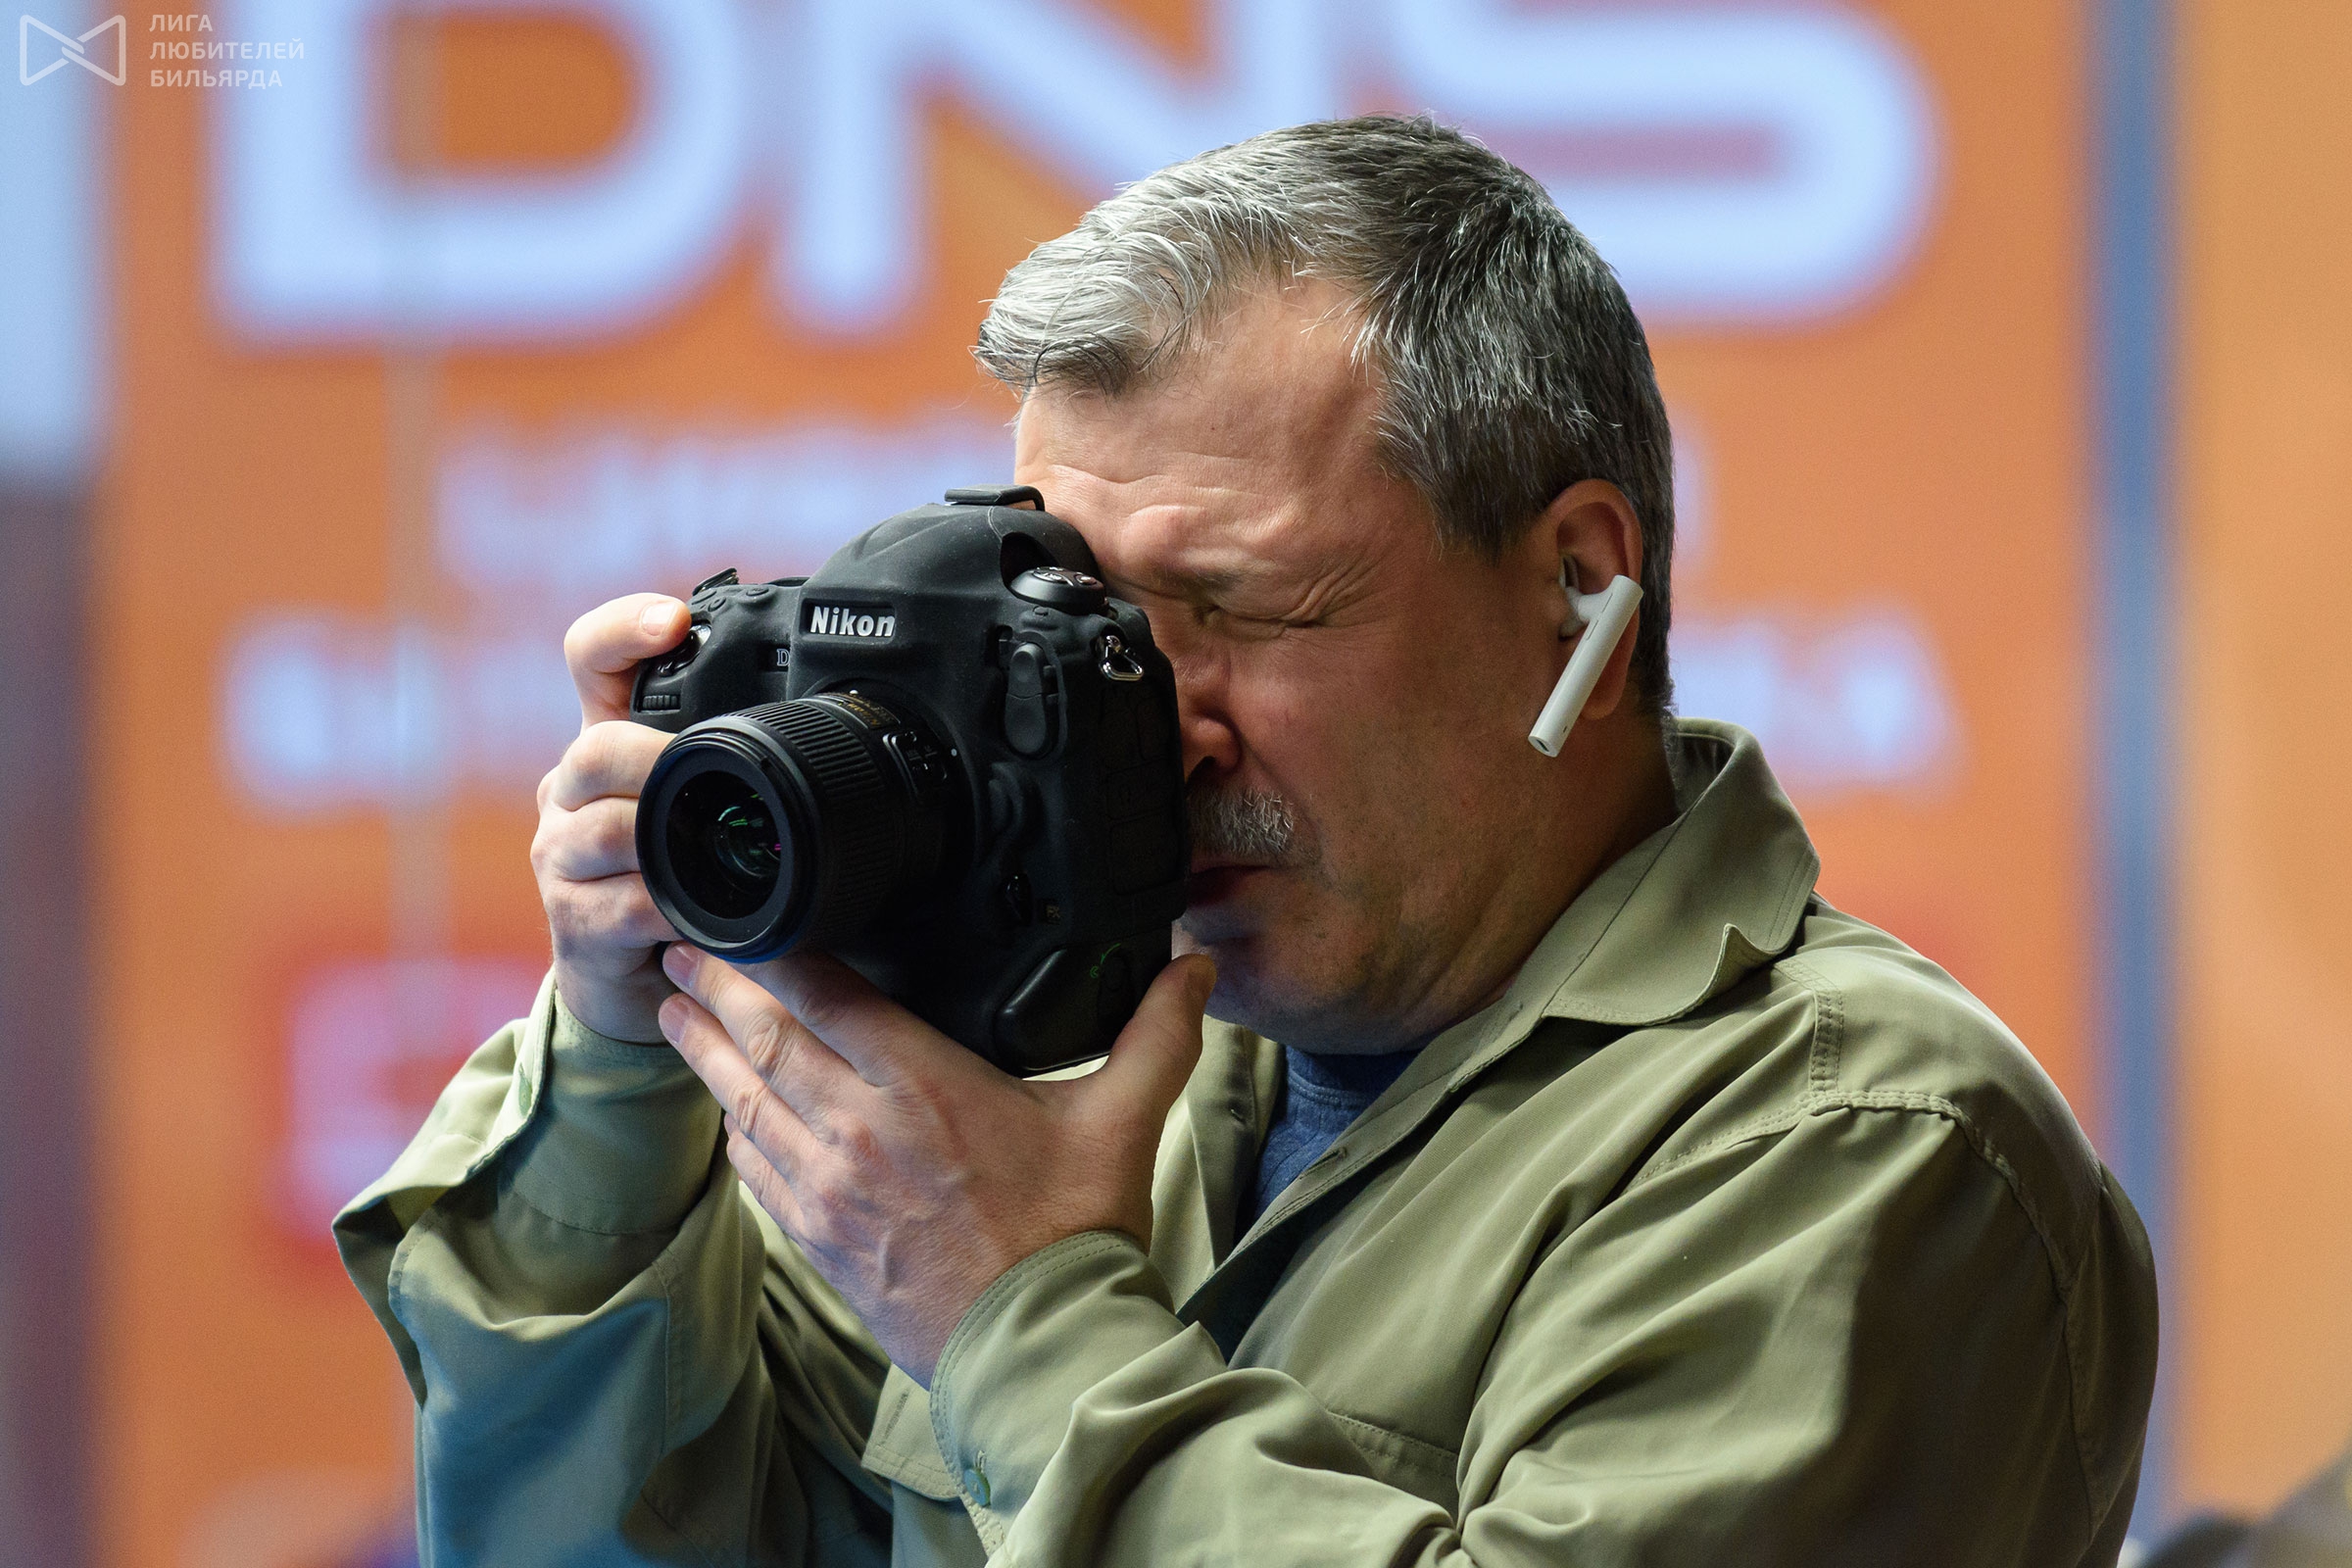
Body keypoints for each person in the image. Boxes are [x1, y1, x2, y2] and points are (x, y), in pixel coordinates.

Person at [338, 116, 2158, 1566]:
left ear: (1576, 589)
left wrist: (1023, 1323)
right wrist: (624, 1061)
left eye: (1239, 607)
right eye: (1082, 623)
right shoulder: (1100, 1070)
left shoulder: (1856, 1141)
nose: (1157, 719)